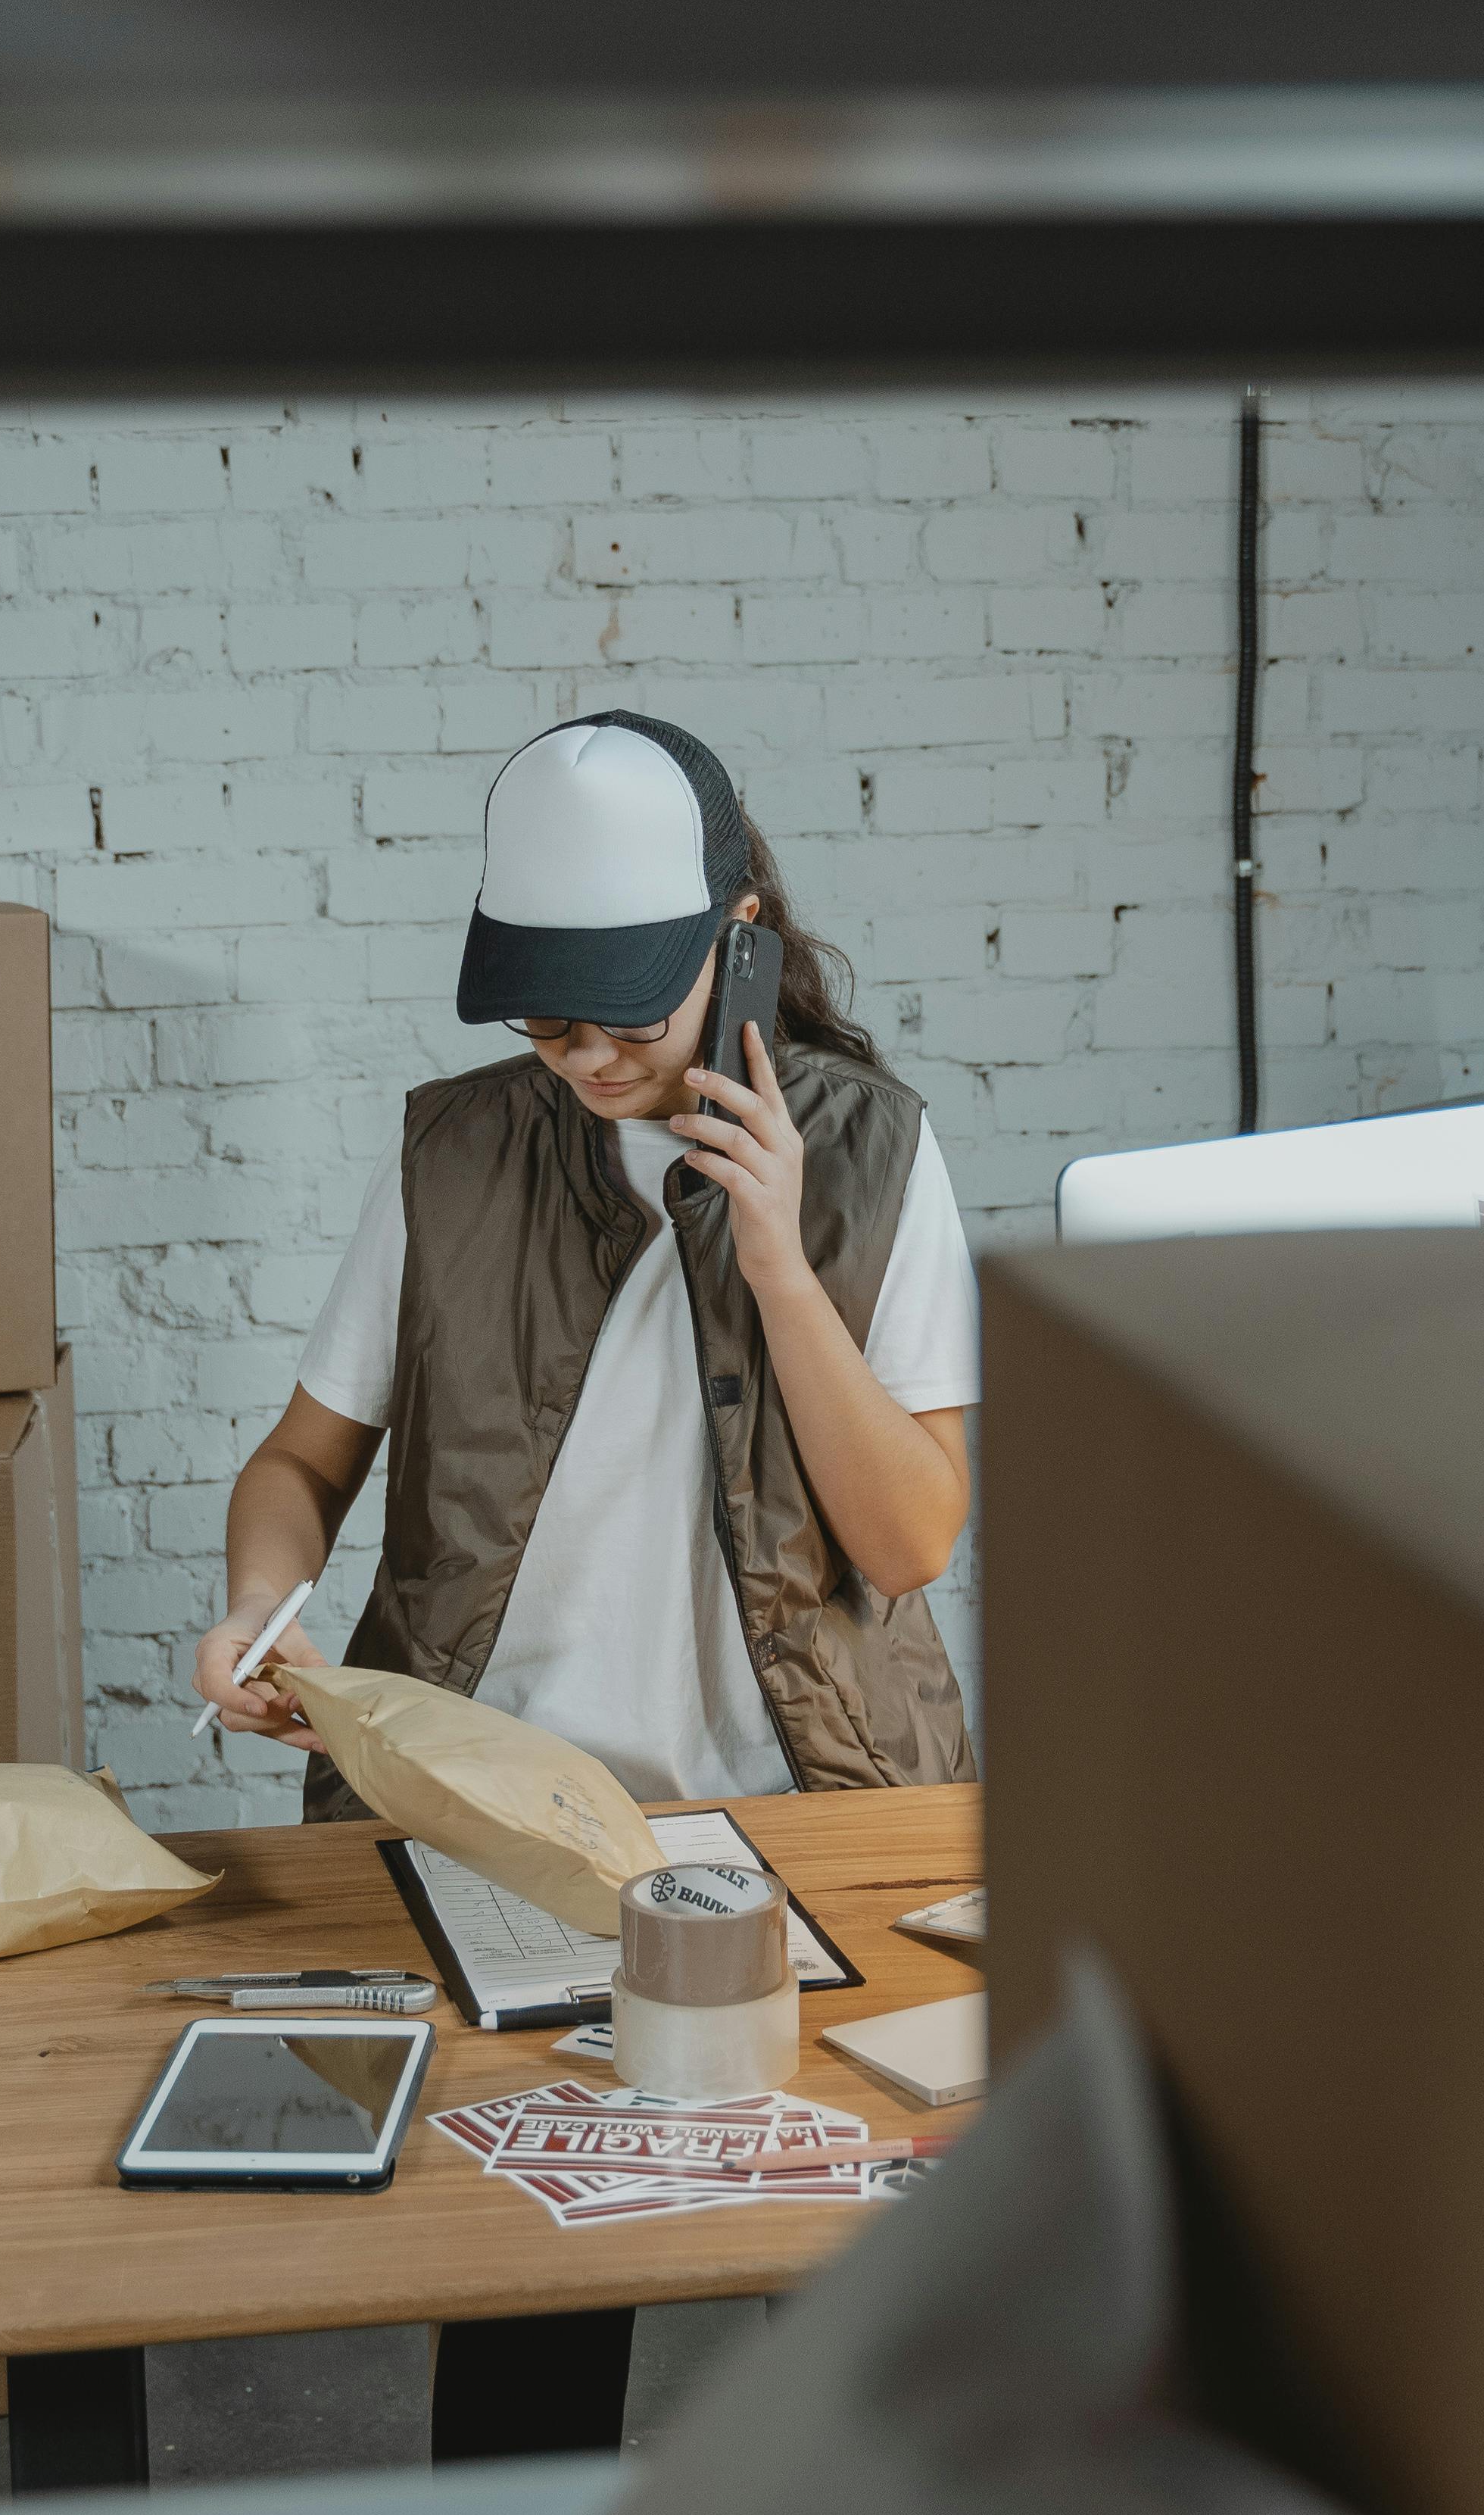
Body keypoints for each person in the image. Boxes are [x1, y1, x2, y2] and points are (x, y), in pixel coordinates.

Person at [194, 710, 978, 1808]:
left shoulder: (870, 1154)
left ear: (737, 936)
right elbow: (303, 1464)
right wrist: (255, 1606)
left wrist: (783, 1275)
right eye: (549, 1016)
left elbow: (907, 1548)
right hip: (477, 1799)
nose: (591, 1055)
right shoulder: (453, 1159)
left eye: (631, 1006)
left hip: (796, 1800)